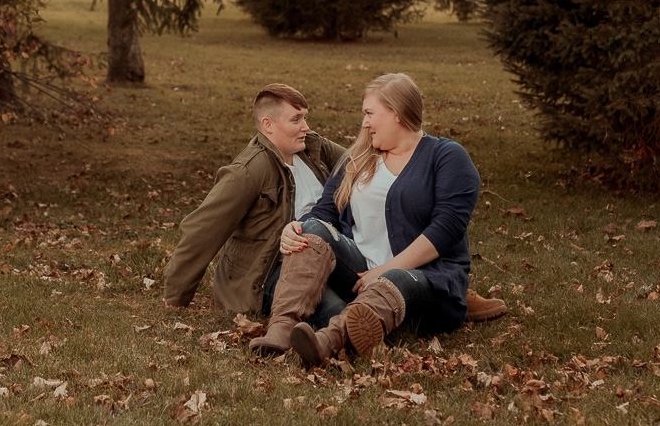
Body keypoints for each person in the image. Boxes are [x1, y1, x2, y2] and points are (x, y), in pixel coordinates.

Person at [163, 83, 507, 334]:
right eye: (296, 120)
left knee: (325, 241)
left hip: (328, 256)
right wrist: (176, 296)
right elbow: (202, 229)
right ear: (269, 126)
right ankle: (299, 330)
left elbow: (364, 164)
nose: (306, 127)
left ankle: (442, 288)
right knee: (337, 311)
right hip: (274, 267)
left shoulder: (312, 148)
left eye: (305, 118)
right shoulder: (248, 172)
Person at [249, 72, 484, 366]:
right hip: (360, 275)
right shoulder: (358, 157)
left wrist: (384, 271)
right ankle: (281, 330)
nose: (365, 123)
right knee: (311, 229)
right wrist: (294, 229)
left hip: (424, 280)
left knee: (394, 279)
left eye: (370, 113)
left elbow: (446, 230)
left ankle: (326, 342)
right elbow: (324, 213)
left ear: (396, 113)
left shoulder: (446, 156)